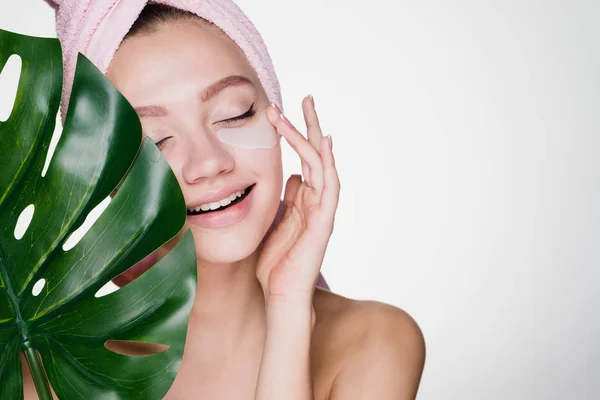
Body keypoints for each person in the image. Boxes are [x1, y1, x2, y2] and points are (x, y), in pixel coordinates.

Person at [23, 1, 425, 398]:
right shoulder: (45, 379)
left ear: (275, 114)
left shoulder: (374, 341)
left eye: (235, 113)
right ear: (105, 179)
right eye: (154, 142)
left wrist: (286, 307)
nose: (209, 163)